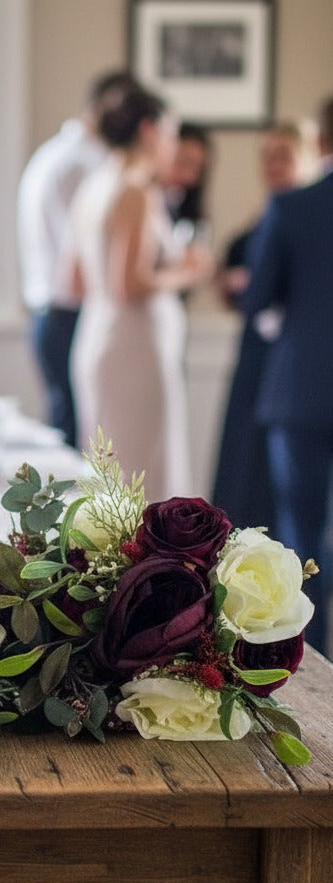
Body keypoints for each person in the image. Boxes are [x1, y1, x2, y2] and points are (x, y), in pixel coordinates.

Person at [67, 85, 214, 502]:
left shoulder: (94, 185)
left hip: (98, 335)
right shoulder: (134, 188)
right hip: (134, 349)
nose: (172, 144)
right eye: (170, 132)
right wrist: (189, 271)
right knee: (141, 476)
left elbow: (74, 281)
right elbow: (129, 284)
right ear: (149, 129)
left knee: (113, 473)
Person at [242, 95, 333, 654]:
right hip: (301, 393)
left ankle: (310, 656)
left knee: (302, 535)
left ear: (319, 141)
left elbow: (255, 297)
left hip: (302, 390)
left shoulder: (292, 206)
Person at [16, 69, 135, 449]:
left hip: (46, 314)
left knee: (66, 424)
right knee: (81, 438)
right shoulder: (87, 164)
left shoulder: (51, 153)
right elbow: (81, 259)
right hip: (71, 315)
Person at [212, 123, 306, 530]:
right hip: (253, 353)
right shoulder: (257, 224)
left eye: (283, 154)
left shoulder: (308, 220)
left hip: (291, 355)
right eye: (267, 154)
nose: (274, 164)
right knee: (242, 456)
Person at [163, 122, 212, 225]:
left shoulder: (187, 213)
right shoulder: (144, 196)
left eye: (197, 171)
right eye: (184, 162)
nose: (188, 176)